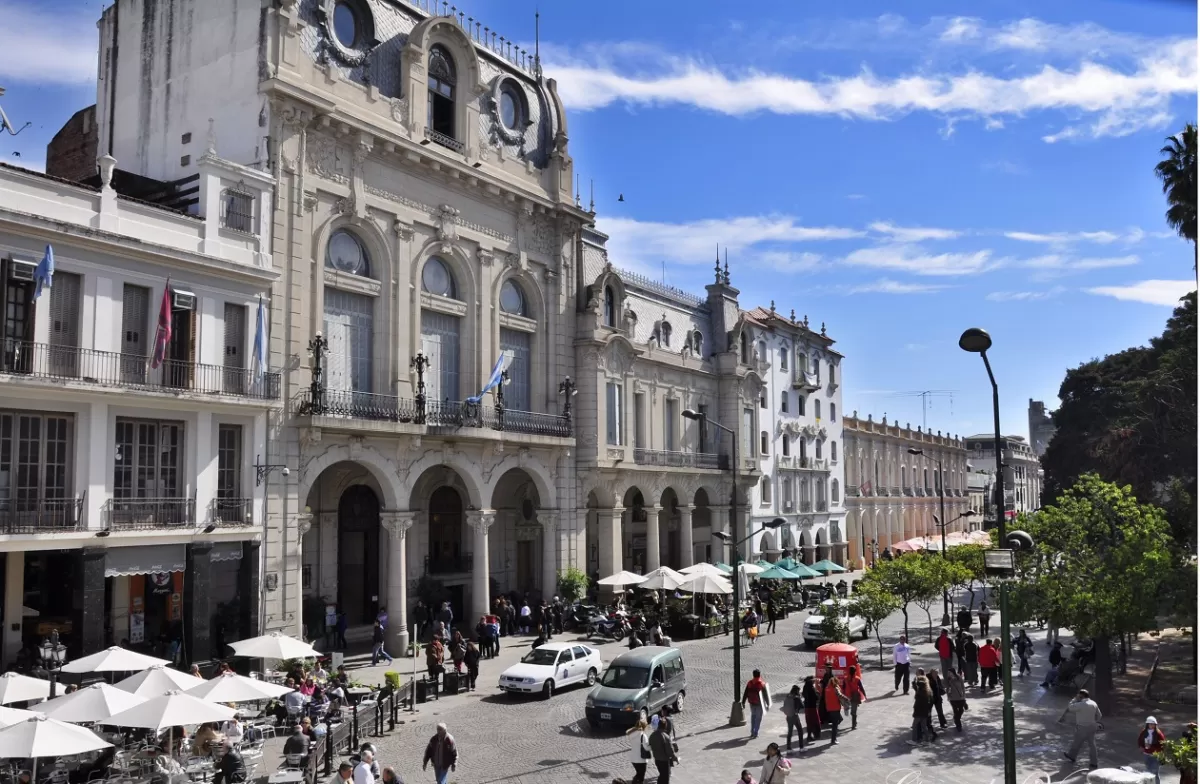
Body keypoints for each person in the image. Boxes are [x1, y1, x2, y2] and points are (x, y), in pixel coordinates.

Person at [1059, 689, 1103, 769]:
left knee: (1077, 742)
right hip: (1092, 726)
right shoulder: (1093, 703)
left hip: (1082, 727)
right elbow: (1099, 715)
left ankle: (1072, 756)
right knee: (1092, 745)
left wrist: (1074, 699)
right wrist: (1094, 722)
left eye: (1079, 696)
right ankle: (1094, 762)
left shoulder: (1080, 704)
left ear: (1081, 696)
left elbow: (1070, 708)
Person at [741, 669, 772, 739]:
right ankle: (756, 733)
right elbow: (765, 695)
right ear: (759, 675)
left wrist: (743, 702)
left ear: (753, 675)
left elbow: (745, 693)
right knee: (758, 718)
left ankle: (752, 731)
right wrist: (768, 704)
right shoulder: (761, 684)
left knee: (753, 716)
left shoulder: (750, 683)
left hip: (752, 703)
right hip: (759, 704)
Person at [648, 717, 678, 784]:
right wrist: (675, 758)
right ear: (665, 726)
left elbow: (650, 745)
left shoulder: (652, 735)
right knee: (665, 778)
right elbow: (669, 751)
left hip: (657, 759)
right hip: (664, 760)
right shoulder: (666, 736)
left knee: (661, 775)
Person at [820, 669, 846, 745]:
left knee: (838, 720)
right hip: (835, 708)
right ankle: (833, 739)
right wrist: (847, 699)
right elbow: (840, 696)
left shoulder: (827, 689)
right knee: (835, 724)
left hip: (829, 708)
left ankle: (833, 737)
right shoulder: (835, 689)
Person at [1138, 716, 1166, 784]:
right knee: (1148, 771)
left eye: (1153, 724)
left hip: (1155, 755)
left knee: (1154, 773)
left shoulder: (1159, 733)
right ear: (1147, 724)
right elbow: (1139, 740)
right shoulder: (1144, 732)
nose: (1152, 726)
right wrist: (1141, 746)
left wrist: (1152, 748)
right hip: (1146, 755)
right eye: (1150, 724)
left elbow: (1162, 745)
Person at [907, 676, 933, 746]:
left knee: (914, 725)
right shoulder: (927, 692)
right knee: (924, 726)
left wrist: (914, 681)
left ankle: (914, 740)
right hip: (925, 712)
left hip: (919, 712)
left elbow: (918, 703)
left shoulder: (920, 693)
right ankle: (927, 740)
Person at [842, 664, 867, 730]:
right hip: (855, 696)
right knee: (854, 711)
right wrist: (865, 695)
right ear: (855, 671)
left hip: (847, 696)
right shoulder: (857, 679)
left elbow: (843, 688)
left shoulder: (845, 678)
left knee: (850, 710)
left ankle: (854, 722)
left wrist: (842, 695)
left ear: (849, 671)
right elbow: (861, 688)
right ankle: (854, 724)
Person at [626, 717, 651, 784]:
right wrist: (651, 746)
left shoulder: (631, 734)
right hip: (641, 759)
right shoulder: (643, 735)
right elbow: (646, 748)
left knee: (638, 774)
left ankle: (634, 782)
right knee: (641, 777)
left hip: (633, 758)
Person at [782, 684, 805, 752]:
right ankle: (801, 747)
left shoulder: (788, 696)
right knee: (800, 731)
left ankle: (789, 748)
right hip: (794, 716)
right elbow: (802, 706)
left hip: (788, 716)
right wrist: (800, 698)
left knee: (790, 732)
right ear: (797, 691)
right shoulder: (796, 698)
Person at [802, 676, 822, 742]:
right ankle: (815, 735)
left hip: (807, 707)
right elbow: (816, 697)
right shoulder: (812, 688)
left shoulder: (805, 687)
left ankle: (809, 736)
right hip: (812, 707)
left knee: (809, 722)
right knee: (816, 721)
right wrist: (817, 693)